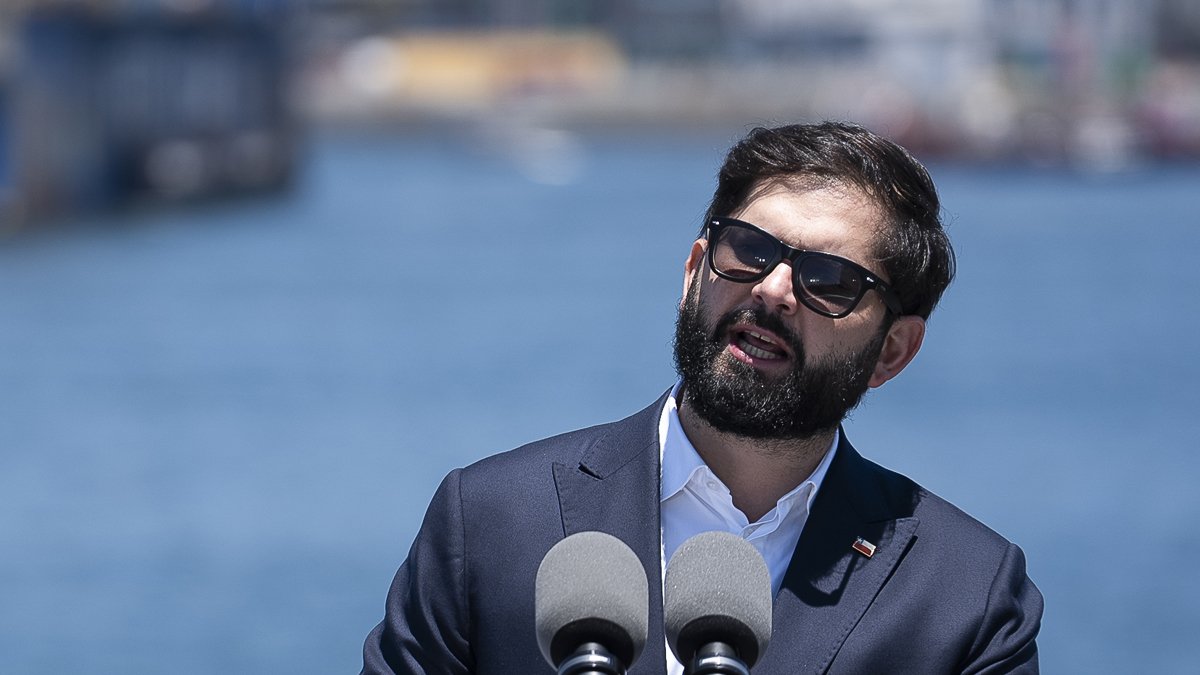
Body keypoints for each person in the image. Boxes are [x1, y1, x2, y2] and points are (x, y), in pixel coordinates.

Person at [361, 121, 1043, 674]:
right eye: (747, 249)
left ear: (892, 351)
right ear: (694, 272)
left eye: (828, 279)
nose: (773, 289)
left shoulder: (966, 596)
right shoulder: (491, 522)